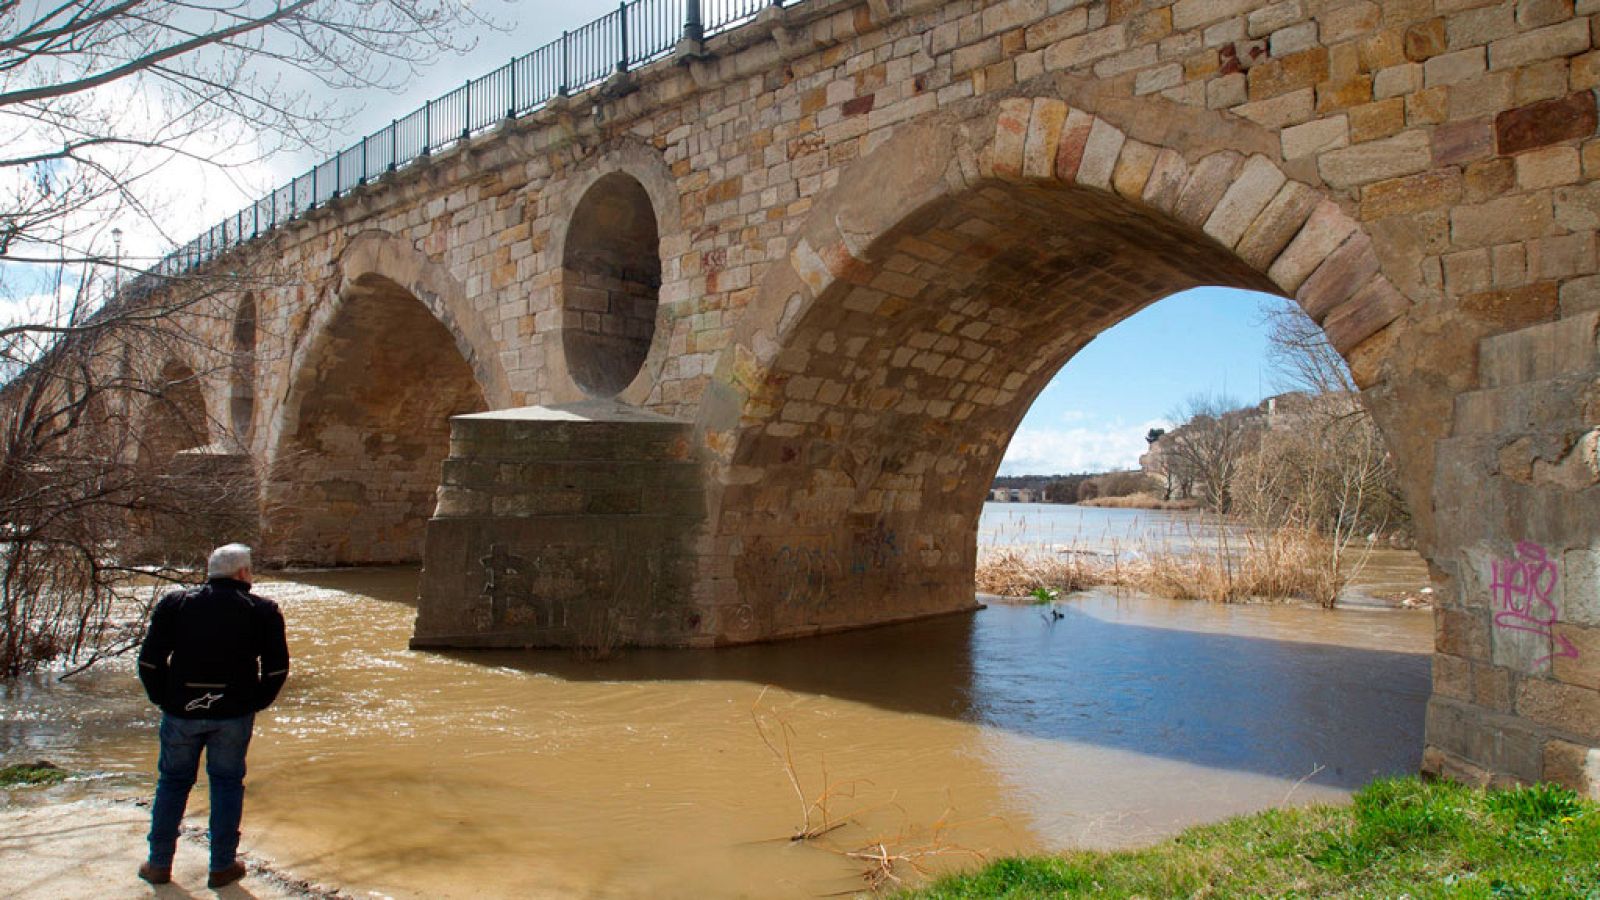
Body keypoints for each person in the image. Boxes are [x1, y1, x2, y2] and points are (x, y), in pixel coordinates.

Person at [136, 543, 289, 888]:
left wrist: (165, 698)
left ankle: (159, 864)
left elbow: (149, 662)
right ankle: (221, 867)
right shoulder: (262, 610)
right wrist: (257, 701)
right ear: (243, 574)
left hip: (180, 711)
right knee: (226, 784)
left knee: (172, 784)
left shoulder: (175, 604)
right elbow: (277, 669)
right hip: (234, 713)